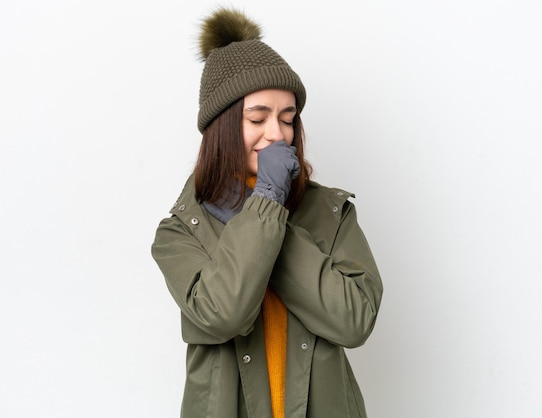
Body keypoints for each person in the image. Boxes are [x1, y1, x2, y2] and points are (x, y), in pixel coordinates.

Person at [151, 7, 383, 418]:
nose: (277, 133)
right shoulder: (180, 232)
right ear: (220, 127)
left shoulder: (332, 212)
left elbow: (355, 321)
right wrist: (264, 209)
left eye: (288, 119)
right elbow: (223, 314)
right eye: (257, 118)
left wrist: (267, 207)